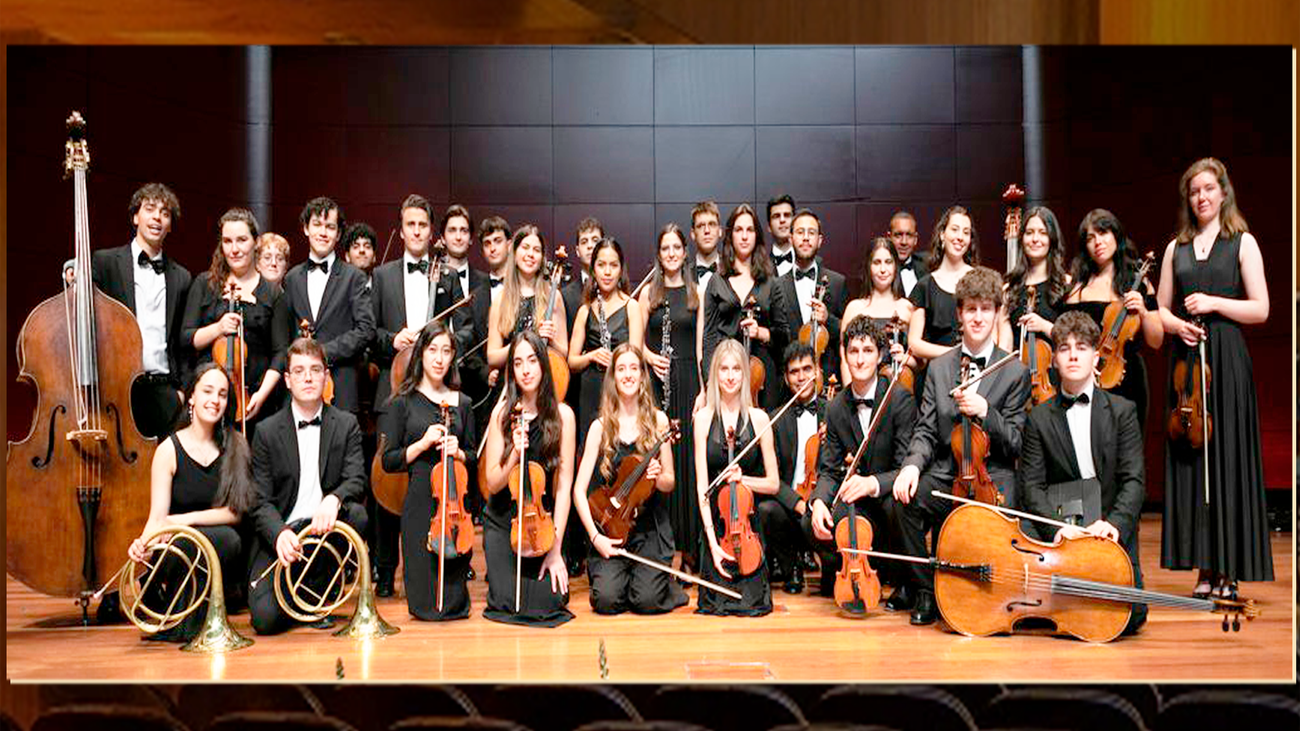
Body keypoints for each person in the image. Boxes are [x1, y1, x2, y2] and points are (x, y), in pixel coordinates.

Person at [1157, 157, 1273, 598]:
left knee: (1227, 459)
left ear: (1224, 192)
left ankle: (1230, 568)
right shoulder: (1175, 248)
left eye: (1209, 189)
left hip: (1226, 358)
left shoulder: (1243, 243)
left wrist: (1214, 303)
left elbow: (1260, 309)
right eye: (1194, 191)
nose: (1202, 197)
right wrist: (1176, 324)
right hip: (1187, 365)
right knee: (1192, 462)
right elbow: (1161, 310)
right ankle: (1204, 568)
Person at [891, 267, 1030, 625]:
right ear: (959, 314)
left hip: (992, 477)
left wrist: (987, 412)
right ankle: (926, 590)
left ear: (998, 313)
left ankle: (993, 593)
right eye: (971, 309)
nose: (978, 317)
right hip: (946, 474)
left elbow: (1016, 443)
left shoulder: (1014, 371)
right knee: (904, 500)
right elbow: (924, 430)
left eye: (986, 309)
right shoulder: (939, 369)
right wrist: (910, 466)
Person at [1020, 311, 1148, 635]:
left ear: (1096, 357)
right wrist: (1058, 531)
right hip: (1064, 530)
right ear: (1055, 359)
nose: (1073, 354)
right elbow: (1032, 487)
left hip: (1107, 527)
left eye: (1082, 347)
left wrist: (1114, 525)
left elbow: (1134, 480)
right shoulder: (1038, 419)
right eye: (1064, 348)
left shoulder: (1123, 412)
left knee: (1128, 619)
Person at [369, 194, 471, 595]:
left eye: (423, 226)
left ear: (432, 232)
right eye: (410, 225)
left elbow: (464, 329)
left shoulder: (446, 278)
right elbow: (369, 331)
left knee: (433, 482)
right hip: (396, 392)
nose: (416, 232)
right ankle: (384, 570)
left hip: (435, 393)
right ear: (401, 226)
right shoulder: (382, 276)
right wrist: (394, 339)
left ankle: (437, 557)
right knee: (386, 484)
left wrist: (440, 342)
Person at [246, 338, 369, 636]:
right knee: (264, 620)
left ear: (327, 376)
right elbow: (259, 501)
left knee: (358, 516)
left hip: (323, 531)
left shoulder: (347, 423)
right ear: (287, 380)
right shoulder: (266, 431)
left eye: (315, 370)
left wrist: (334, 498)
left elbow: (356, 478)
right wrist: (279, 533)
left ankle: (315, 589)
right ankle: (309, 600)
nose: (309, 378)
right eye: (299, 371)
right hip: (285, 534)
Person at [127, 363, 255, 642]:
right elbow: (157, 518)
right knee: (186, 543)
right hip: (176, 548)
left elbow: (235, 513)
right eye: (207, 391)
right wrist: (143, 546)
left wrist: (184, 520)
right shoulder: (167, 450)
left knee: (226, 539)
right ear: (192, 397)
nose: (215, 400)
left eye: (222, 394)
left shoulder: (236, 445)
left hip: (216, 546)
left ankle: (183, 624)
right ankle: (190, 624)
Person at [67, 182, 192, 439]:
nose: (157, 217)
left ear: (170, 226)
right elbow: (78, 292)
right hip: (116, 390)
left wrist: (180, 393)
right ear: (136, 216)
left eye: (165, 213)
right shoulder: (104, 262)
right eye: (150, 209)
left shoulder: (182, 277)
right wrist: (71, 270)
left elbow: (183, 340)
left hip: (164, 393)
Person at [571, 344, 688, 614]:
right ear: (612, 378)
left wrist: (657, 478)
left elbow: (670, 481)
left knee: (646, 601)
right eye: (621, 368)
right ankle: (629, 578)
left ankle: (656, 583)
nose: (628, 374)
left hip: (648, 527)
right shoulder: (599, 427)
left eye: (634, 368)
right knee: (606, 601)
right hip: (611, 525)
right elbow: (578, 491)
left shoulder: (659, 421)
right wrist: (595, 537)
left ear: (642, 376)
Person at [806, 316, 916, 604]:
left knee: (900, 502)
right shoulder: (836, 407)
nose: (860, 359)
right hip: (860, 506)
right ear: (844, 355)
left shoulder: (899, 399)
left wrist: (871, 483)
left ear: (880, 355)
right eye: (853, 351)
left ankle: (904, 579)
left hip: (887, 500)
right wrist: (818, 501)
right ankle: (846, 569)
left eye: (867, 351)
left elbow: (906, 466)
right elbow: (829, 470)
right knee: (815, 517)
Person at [378, 320, 477, 620]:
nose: (439, 358)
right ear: (421, 354)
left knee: (453, 606)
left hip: (456, 508)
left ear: (453, 357)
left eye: (446, 351)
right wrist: (422, 445)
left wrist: (459, 452)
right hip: (420, 507)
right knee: (424, 607)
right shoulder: (401, 402)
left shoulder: (463, 403)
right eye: (432, 350)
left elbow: (473, 457)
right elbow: (389, 461)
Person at [479, 330, 577, 627]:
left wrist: (556, 549)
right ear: (512, 370)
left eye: (532, 360)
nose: (525, 369)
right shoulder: (501, 415)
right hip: (503, 520)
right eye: (518, 362)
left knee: (549, 602)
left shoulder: (563, 416)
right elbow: (493, 483)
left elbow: (563, 487)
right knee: (509, 602)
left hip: (541, 523)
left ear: (543, 365)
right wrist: (513, 455)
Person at [181, 208, 290, 437]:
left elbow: (280, 353)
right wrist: (218, 328)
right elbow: (186, 338)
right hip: (209, 399)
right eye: (227, 241)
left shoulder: (273, 294)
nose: (235, 249)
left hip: (255, 399)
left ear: (255, 242)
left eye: (242, 240)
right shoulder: (204, 284)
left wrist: (261, 395)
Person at [694, 339, 780, 616]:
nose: (730, 376)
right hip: (717, 528)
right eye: (723, 369)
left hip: (746, 525)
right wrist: (711, 540)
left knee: (752, 604)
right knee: (714, 603)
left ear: (745, 374)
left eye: (736, 369)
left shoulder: (759, 419)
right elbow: (701, 487)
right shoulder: (703, 419)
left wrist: (744, 481)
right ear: (714, 374)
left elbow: (774, 483)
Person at [639, 223, 703, 577]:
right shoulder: (649, 293)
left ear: (684, 251)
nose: (671, 253)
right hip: (657, 381)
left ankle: (690, 548)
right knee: (662, 466)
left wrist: (703, 391)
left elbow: (698, 349)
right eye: (665, 248)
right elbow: (635, 344)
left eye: (676, 247)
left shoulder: (697, 292)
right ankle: (665, 548)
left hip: (688, 383)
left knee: (687, 464)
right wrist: (650, 359)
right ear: (659, 254)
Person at [1058, 209, 1163, 426]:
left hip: (1130, 378)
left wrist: (1143, 310)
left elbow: (1156, 340)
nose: (1098, 242)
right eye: (1090, 238)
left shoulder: (1139, 283)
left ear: (1116, 235)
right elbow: (1063, 337)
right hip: (1087, 381)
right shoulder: (1077, 289)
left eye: (1103, 233)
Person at [275, 196, 376, 414]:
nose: (323, 232)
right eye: (317, 225)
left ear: (338, 234)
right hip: (298, 387)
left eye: (330, 227)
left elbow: (366, 329)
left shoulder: (354, 277)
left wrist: (322, 352)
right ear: (305, 228)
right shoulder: (291, 278)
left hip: (341, 386)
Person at [701, 203, 789, 411]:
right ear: (730, 235)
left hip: (763, 378)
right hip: (725, 375)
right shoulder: (717, 280)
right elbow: (709, 338)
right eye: (739, 230)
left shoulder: (771, 282)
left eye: (750, 230)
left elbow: (784, 335)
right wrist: (709, 384)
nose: (744, 236)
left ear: (757, 235)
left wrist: (761, 332)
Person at [568, 237, 643, 449]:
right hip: (591, 390)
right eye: (601, 265)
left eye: (613, 265)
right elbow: (572, 362)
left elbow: (637, 360)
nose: (607, 272)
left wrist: (620, 363)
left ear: (621, 270)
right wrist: (591, 356)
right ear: (593, 270)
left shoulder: (632, 307)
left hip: (623, 391)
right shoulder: (584, 310)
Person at [763, 343, 823, 594]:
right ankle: (792, 568)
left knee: (831, 587)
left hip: (823, 501)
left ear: (818, 371)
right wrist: (798, 503)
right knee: (767, 510)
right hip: (792, 503)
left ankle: (831, 568)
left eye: (806, 369)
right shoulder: (775, 419)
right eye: (794, 372)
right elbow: (771, 475)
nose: (801, 377)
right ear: (786, 379)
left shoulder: (836, 411)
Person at [773, 208, 849, 394]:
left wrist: (828, 319)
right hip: (789, 387)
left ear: (820, 240)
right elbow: (776, 340)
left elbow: (847, 334)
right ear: (790, 239)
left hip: (829, 384)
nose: (806, 238)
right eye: (800, 232)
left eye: (811, 232)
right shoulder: (776, 286)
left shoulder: (838, 283)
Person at [486, 225, 569, 371]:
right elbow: (492, 357)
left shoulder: (553, 297)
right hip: (511, 382)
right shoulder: (501, 299)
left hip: (544, 380)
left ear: (542, 258)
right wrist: (521, 343)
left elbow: (564, 354)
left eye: (536, 250)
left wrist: (552, 341)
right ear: (515, 253)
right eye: (525, 247)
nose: (530, 254)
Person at [840, 237, 914, 388]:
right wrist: (851, 398)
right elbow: (844, 358)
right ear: (868, 267)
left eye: (888, 262)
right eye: (876, 262)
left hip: (899, 392)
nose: (882, 269)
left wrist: (904, 358)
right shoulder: (854, 308)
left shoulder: (907, 308)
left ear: (895, 266)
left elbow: (920, 363)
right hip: (860, 393)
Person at [997, 206, 1070, 354]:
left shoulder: (1066, 284)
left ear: (1052, 239)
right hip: (1018, 371)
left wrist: (1044, 326)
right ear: (1022, 239)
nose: (1035, 239)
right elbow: (1005, 344)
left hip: (1054, 372)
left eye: (1043, 233)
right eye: (1029, 233)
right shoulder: (1009, 288)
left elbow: (1075, 339)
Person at [690, 200, 723, 296]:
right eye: (700, 226)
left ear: (720, 231)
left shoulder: (732, 271)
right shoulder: (683, 275)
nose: (707, 230)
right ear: (693, 234)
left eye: (712, 224)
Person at [888, 211, 924, 297]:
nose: (904, 242)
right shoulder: (880, 270)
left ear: (915, 239)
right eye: (898, 235)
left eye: (909, 235)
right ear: (889, 238)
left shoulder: (927, 265)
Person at [766, 194, 797, 277]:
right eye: (776, 216)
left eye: (787, 215)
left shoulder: (813, 263)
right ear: (769, 227)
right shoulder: (760, 268)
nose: (782, 220)